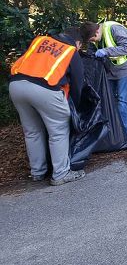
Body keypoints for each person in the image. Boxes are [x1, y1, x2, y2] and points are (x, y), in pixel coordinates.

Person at [9, 27, 86, 186]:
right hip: (45, 88)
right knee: (58, 131)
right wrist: (75, 106)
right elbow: (78, 83)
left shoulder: (40, 40)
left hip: (16, 85)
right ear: (77, 42)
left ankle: (37, 172)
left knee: (32, 131)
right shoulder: (70, 50)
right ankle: (61, 173)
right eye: (80, 46)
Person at [80, 20, 127, 141]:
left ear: (97, 32)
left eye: (92, 39)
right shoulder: (94, 33)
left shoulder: (114, 29)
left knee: (122, 100)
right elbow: (93, 51)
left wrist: (105, 51)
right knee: (110, 100)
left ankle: (125, 134)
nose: (92, 42)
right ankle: (114, 132)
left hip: (125, 68)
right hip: (110, 70)